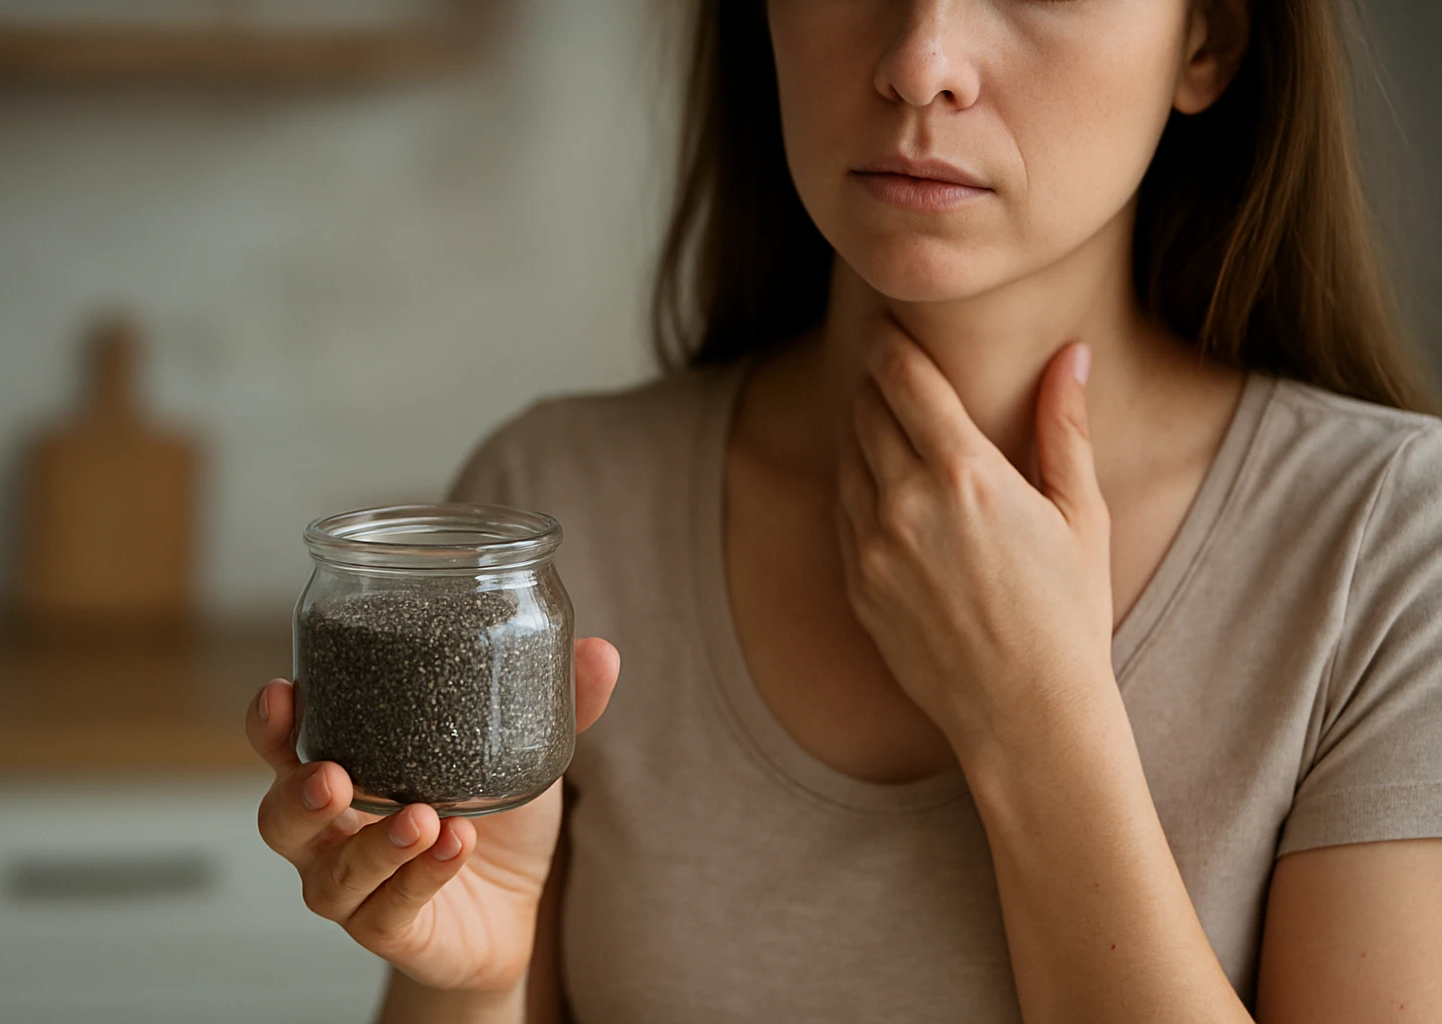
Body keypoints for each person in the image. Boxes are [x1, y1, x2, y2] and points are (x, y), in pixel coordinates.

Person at [246, 1, 1442, 1021]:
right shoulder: (545, 523)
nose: (922, 62)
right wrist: (473, 983)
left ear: (1209, 41)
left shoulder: (1394, 546)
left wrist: (1038, 720)